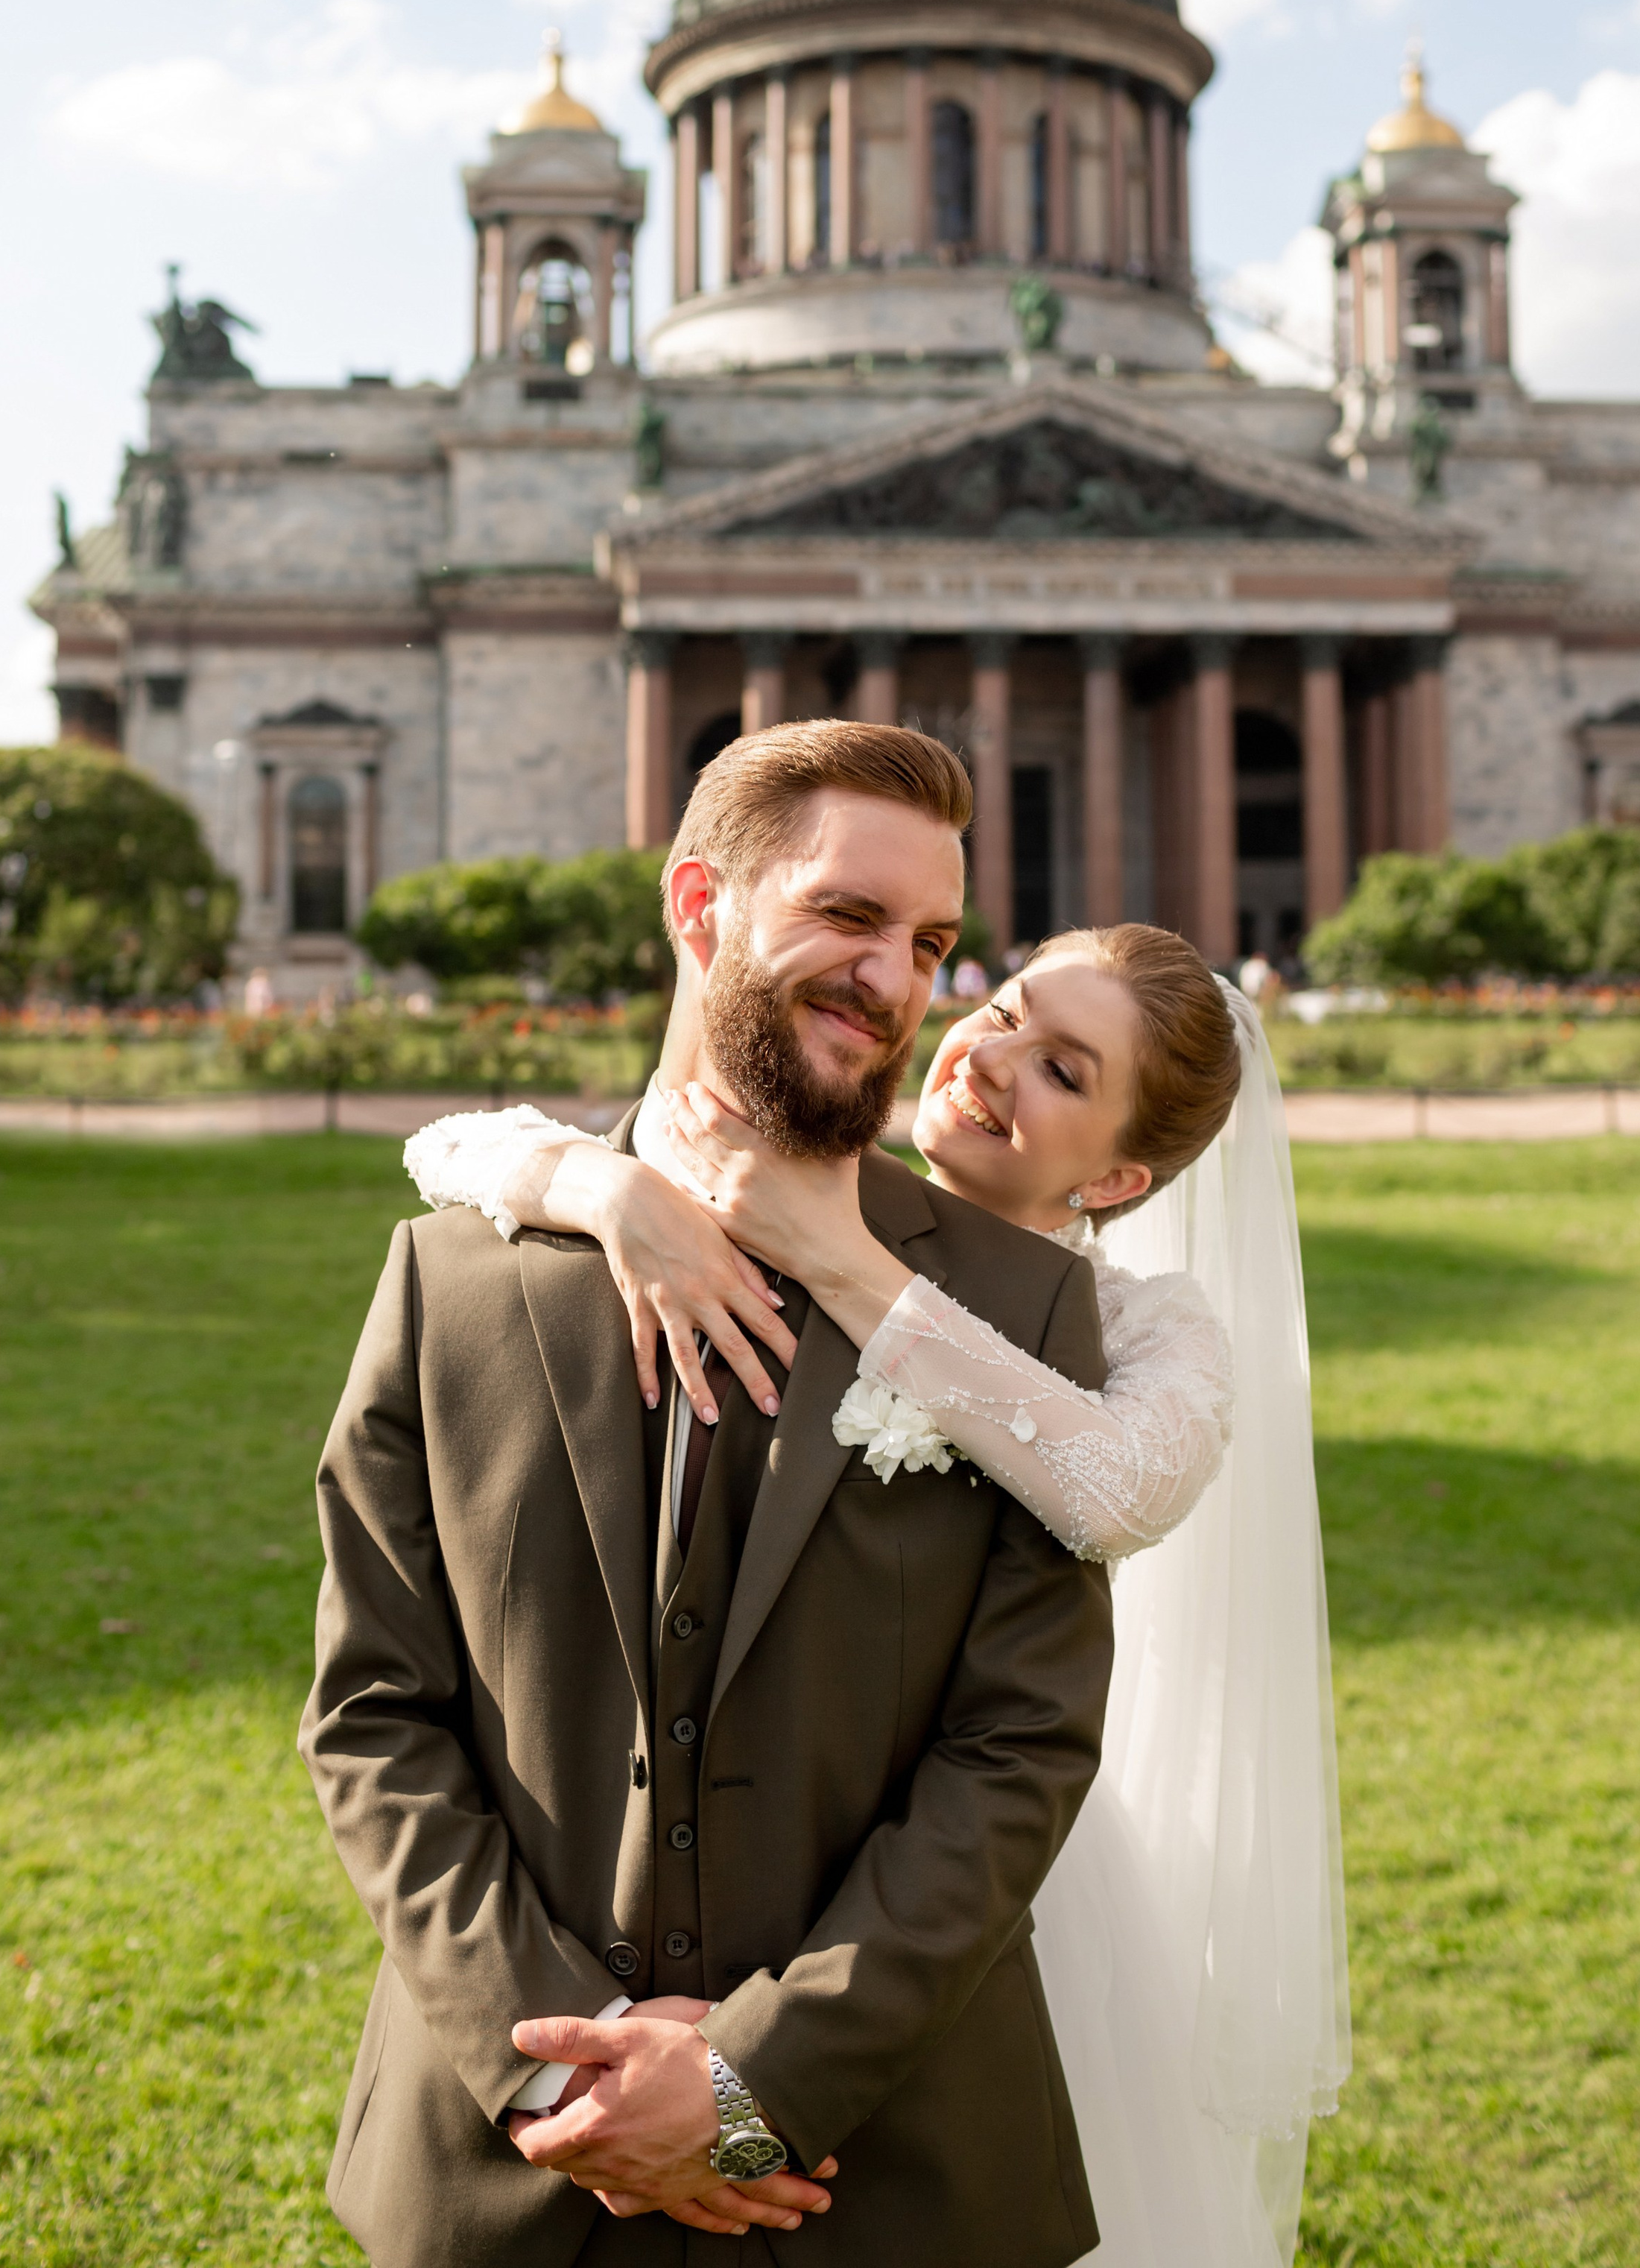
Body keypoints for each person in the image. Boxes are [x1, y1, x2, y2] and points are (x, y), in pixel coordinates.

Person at [410, 922, 1349, 2263]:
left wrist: (850, 1266)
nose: (992, 1058)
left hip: (975, 1875)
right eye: (1010, 1009)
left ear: (1124, 1172)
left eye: (1066, 1072)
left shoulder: (1142, 1325)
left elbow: (1122, 1489)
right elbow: (443, 1146)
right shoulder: (775, 1185)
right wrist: (599, 1188)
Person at [302, 721, 1117, 2268]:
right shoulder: (450, 1280)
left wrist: (757, 2082)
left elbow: (1017, 1748)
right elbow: (371, 1716)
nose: (893, 981)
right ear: (698, 907)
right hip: (506, 2170)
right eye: (846, 916)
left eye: (930, 941)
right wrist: (559, 2060)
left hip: (882, 2177)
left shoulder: (1016, 1318)